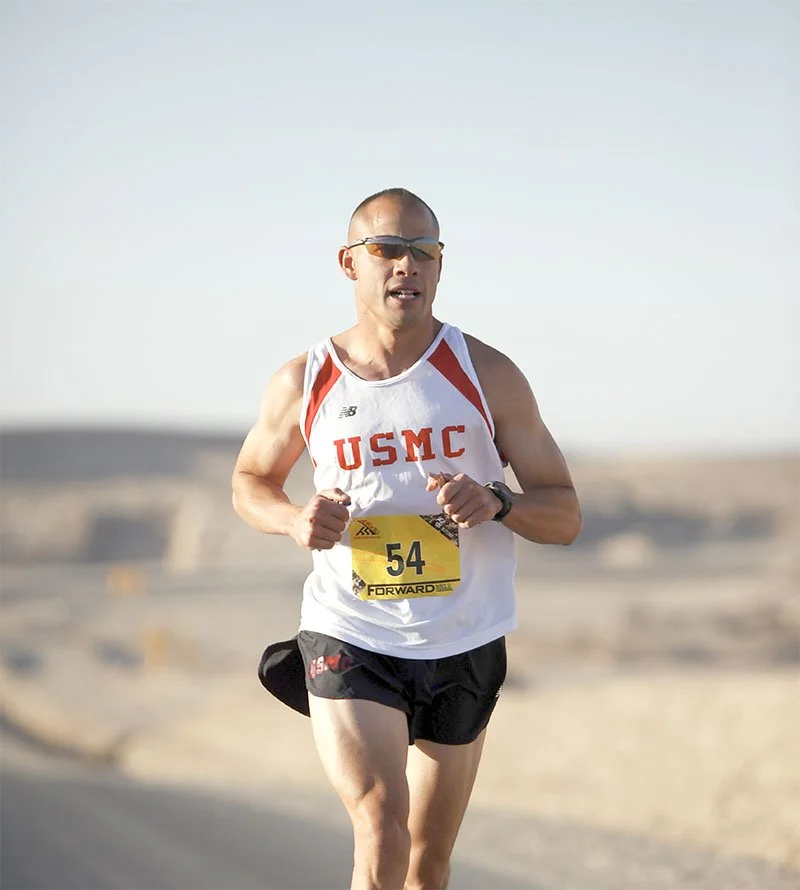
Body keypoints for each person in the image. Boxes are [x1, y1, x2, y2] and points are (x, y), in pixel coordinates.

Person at [232, 187, 582, 890]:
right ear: (348, 262)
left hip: (463, 638)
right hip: (351, 631)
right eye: (388, 249)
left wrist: (498, 502)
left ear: (440, 266)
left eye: (425, 252)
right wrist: (295, 519)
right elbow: (249, 481)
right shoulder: (307, 381)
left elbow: (565, 513)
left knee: (426, 865)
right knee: (381, 822)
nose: (407, 266)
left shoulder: (486, 374)